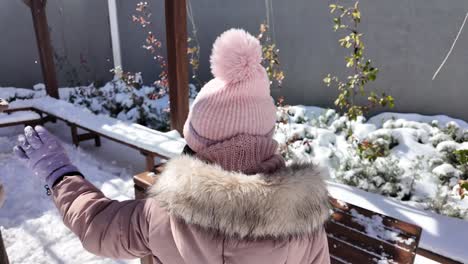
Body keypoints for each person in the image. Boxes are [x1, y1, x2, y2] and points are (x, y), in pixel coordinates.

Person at [14, 28, 330, 264]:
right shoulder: (303, 221)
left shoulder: (165, 212)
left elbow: (99, 227)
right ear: (266, 138)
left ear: (197, 143)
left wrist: (59, 175)